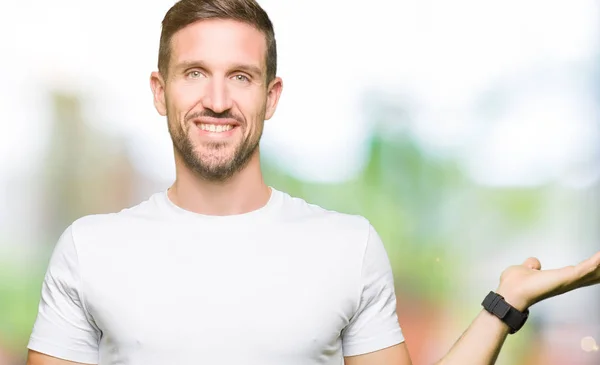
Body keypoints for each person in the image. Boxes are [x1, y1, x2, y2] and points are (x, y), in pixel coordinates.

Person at [26, 0, 600, 364]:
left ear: (271, 96)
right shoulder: (89, 249)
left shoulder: (346, 247)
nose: (218, 100)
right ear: (159, 90)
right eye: (195, 73)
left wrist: (504, 308)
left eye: (242, 77)